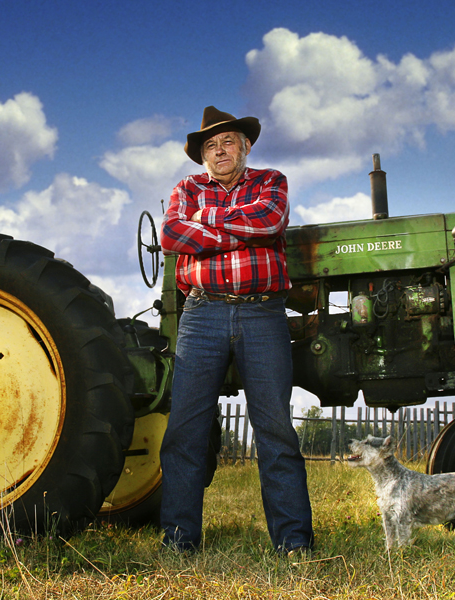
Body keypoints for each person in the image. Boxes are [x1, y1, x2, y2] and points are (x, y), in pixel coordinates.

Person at [158, 106, 313, 554]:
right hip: (201, 316)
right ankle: (178, 541)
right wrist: (237, 231)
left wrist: (205, 223)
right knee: (184, 432)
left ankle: (293, 543)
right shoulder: (186, 188)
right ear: (201, 156)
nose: (220, 150)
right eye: (210, 145)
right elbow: (171, 235)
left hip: (262, 314)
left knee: (276, 430)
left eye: (228, 142)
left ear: (245, 147)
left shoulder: (271, 181)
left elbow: (270, 221)